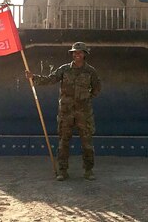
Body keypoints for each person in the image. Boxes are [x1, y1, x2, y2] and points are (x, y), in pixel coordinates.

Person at [25, 42, 101, 181]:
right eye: (74, 52)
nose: (76, 55)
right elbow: (50, 79)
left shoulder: (90, 71)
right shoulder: (64, 69)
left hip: (84, 113)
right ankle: (62, 171)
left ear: (84, 54)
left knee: (87, 142)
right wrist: (33, 77)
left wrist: (85, 98)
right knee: (63, 142)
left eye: (79, 52)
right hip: (66, 112)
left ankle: (89, 170)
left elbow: (97, 88)